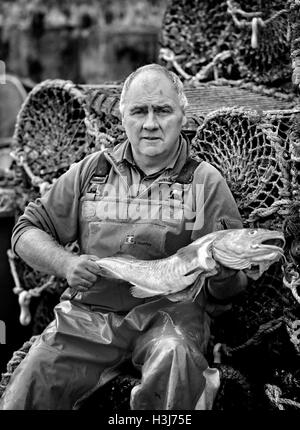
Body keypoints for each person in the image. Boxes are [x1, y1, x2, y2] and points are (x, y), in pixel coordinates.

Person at [0, 64, 247, 410]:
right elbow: (25, 232)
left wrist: (224, 274)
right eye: (138, 111)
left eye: (162, 110)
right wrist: (67, 263)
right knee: (32, 377)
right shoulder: (92, 170)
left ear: (182, 116)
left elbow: (230, 292)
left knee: (174, 356)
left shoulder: (206, 182)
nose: (150, 123)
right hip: (89, 314)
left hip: (170, 318)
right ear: (122, 117)